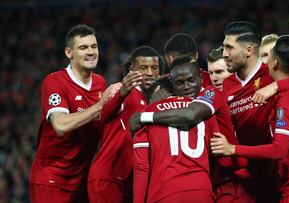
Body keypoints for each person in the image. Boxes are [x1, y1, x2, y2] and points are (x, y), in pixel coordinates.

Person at [211, 35, 289, 203]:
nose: (264, 62)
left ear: (275, 63)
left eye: (268, 56)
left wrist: (233, 149)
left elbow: (278, 150)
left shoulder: (288, 97)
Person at [131, 56, 250, 203]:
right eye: (180, 83)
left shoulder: (210, 95)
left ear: (201, 79)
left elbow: (190, 115)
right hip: (206, 186)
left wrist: (144, 115)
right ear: (173, 86)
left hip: (228, 180)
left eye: (191, 80)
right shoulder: (204, 112)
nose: (187, 86)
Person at [29, 24, 119, 203]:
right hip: (52, 180)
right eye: (83, 47)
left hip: (83, 181)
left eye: (94, 46)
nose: (91, 52)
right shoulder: (54, 82)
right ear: (69, 53)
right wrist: (100, 105)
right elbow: (60, 125)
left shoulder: (100, 83)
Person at [87, 46, 162, 203]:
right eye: (143, 67)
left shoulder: (153, 101)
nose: (150, 72)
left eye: (154, 68)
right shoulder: (123, 91)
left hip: (128, 182)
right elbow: (104, 115)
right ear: (131, 69)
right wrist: (121, 94)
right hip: (108, 179)